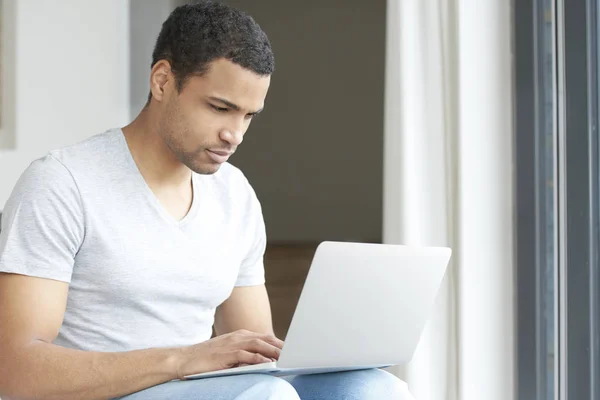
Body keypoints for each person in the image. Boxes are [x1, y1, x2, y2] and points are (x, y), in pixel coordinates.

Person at [0, 2, 415, 399]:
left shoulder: (234, 195)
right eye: (220, 108)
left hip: (204, 390)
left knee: (374, 389)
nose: (234, 134)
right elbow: (15, 369)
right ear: (162, 81)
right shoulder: (62, 183)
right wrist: (182, 359)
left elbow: (254, 352)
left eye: (249, 116)